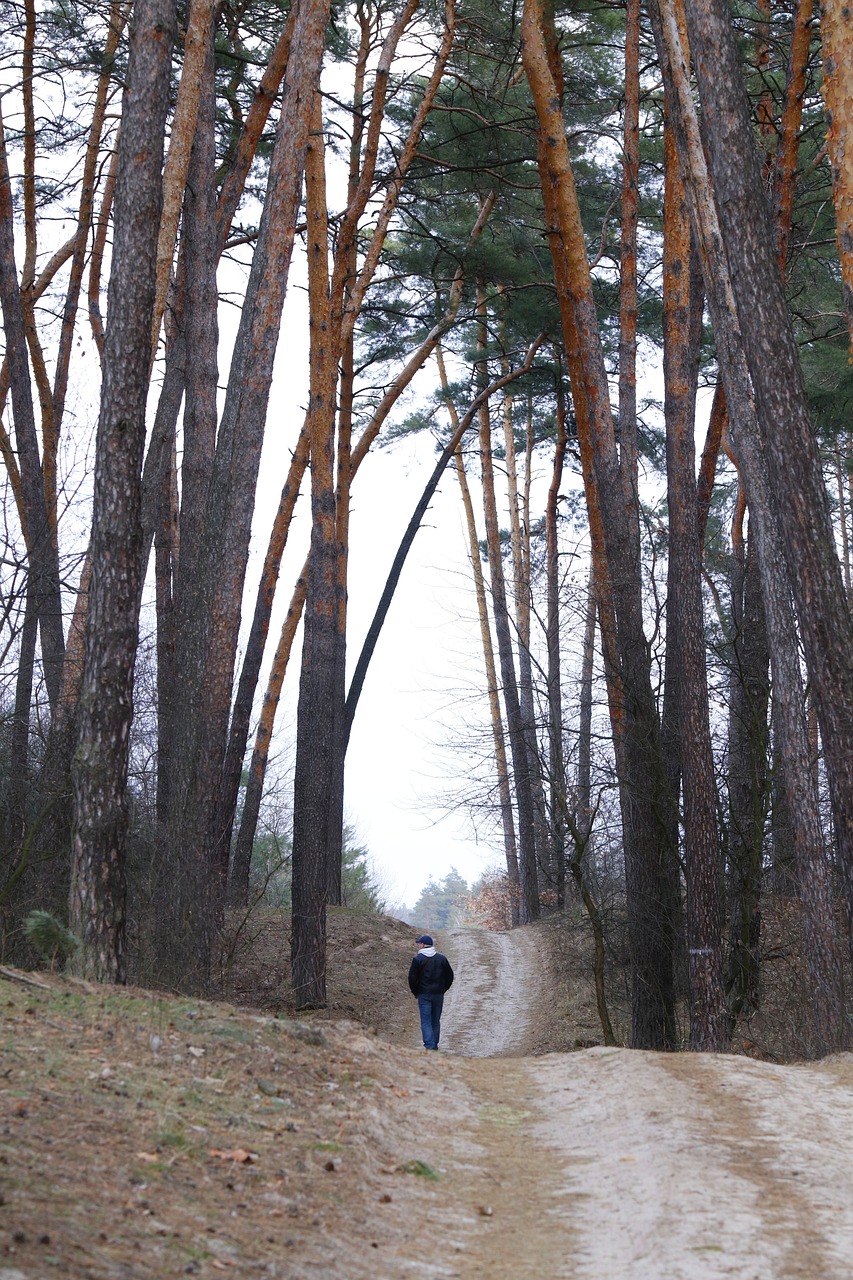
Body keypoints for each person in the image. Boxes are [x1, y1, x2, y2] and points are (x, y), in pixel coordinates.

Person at [408, 934, 454, 1051]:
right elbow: (450, 976)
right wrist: (443, 989)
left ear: (423, 945)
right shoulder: (441, 958)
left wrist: (416, 992)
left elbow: (412, 978)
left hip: (424, 994)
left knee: (426, 1021)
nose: (418, 945)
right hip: (438, 994)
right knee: (435, 1020)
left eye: (419, 943)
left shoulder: (418, 959)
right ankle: (435, 1044)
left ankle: (430, 1046)